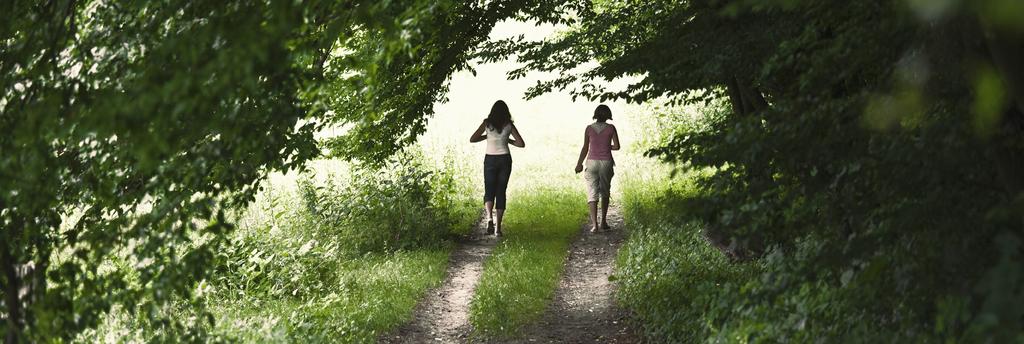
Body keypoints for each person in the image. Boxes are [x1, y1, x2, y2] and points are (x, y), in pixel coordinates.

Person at [470, 100, 525, 236]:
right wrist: (508, 140)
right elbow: (521, 143)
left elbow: (473, 139)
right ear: (506, 112)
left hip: (490, 159)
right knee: (501, 191)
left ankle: (489, 218)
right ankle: (498, 228)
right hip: (504, 159)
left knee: (489, 189)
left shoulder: (487, 123)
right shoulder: (509, 125)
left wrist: (487, 137)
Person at [575, 104, 620, 232]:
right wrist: (606, 145)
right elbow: (616, 146)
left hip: (591, 162)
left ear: (596, 114)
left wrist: (579, 164)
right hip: (606, 162)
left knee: (592, 191)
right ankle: (603, 222)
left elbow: (585, 147)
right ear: (608, 115)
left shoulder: (589, 128)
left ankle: (594, 225)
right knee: (605, 191)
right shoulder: (611, 128)